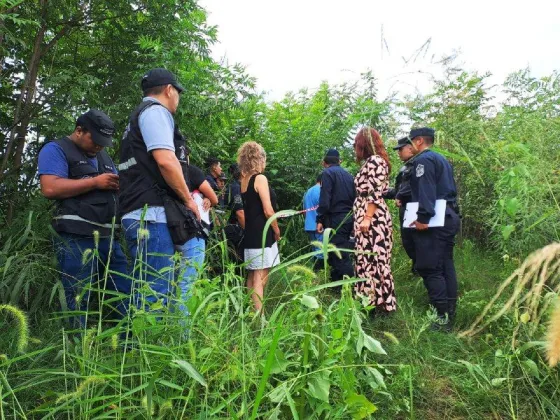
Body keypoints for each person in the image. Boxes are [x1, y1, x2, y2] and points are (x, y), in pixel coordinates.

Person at [38, 109, 130, 327]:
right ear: (79, 131)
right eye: (96, 140)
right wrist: (95, 182)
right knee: (77, 295)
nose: (99, 146)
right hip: (75, 237)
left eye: (103, 142)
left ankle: (129, 347)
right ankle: (75, 351)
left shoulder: (103, 156)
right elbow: (50, 187)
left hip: (109, 237)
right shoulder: (56, 149)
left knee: (123, 291)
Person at [118, 68, 200, 311]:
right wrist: (188, 200)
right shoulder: (155, 112)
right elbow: (166, 160)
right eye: (178, 92)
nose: (178, 98)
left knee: (147, 287)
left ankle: (138, 345)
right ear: (168, 90)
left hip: (139, 211)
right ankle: (144, 347)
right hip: (151, 215)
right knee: (154, 291)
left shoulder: (137, 117)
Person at [407, 127, 460, 331]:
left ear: (419, 141)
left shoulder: (423, 160)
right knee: (446, 265)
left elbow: (426, 189)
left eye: (411, 142)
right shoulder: (441, 159)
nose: (410, 146)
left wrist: (422, 217)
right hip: (449, 216)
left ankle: (442, 317)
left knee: (430, 267)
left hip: (435, 220)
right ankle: (450, 311)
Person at [353, 128, 396, 314]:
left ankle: (381, 306)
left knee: (374, 261)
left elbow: (375, 192)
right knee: (366, 261)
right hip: (367, 217)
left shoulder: (376, 161)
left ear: (363, 143)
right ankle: (370, 303)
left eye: (356, 144)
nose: (355, 149)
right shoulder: (372, 162)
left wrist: (367, 217)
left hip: (373, 221)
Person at [238, 141, 280, 312]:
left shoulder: (244, 180)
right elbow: (268, 210)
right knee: (260, 276)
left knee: (252, 274)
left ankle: (251, 312)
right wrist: (276, 230)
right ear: (260, 158)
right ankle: (259, 319)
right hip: (262, 233)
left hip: (249, 232)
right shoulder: (260, 178)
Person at [316, 149, 355, 283]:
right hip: (349, 217)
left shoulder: (327, 174)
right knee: (341, 250)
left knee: (338, 254)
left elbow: (325, 199)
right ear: (339, 161)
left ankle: (347, 285)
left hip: (334, 219)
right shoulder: (349, 176)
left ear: (324, 163)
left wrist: (320, 218)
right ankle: (337, 283)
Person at [385, 136, 417, 274]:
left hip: (415, 208)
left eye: (401, 149)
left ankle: (421, 269)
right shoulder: (405, 167)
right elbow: (399, 190)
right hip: (406, 209)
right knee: (408, 241)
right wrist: (380, 193)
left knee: (415, 241)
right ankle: (417, 268)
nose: (399, 153)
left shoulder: (418, 164)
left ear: (410, 148)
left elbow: (414, 186)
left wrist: (400, 195)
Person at [303, 173, 324, 270]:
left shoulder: (308, 191)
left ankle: (315, 272)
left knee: (315, 249)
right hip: (319, 226)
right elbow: (324, 208)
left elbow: (304, 211)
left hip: (309, 225)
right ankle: (320, 273)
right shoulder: (321, 191)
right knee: (321, 251)